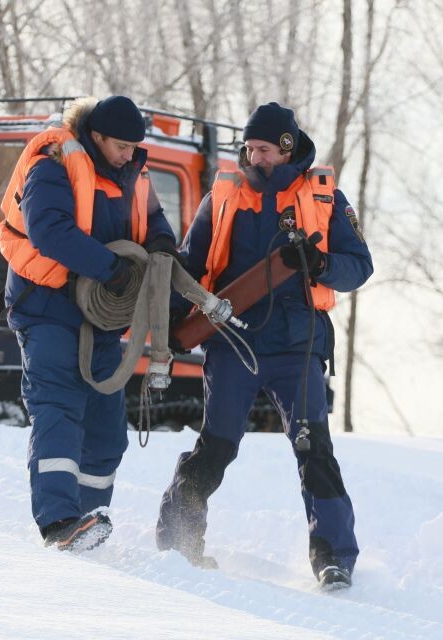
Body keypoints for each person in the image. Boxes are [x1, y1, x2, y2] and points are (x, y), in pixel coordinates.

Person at [156, 102, 373, 589]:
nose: (253, 157)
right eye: (249, 148)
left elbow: (360, 265)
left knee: (314, 448)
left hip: (299, 347)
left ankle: (334, 558)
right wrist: (171, 319)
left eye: (263, 149)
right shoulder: (225, 193)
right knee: (216, 447)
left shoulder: (326, 197)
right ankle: (177, 543)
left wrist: (319, 263)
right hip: (232, 342)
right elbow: (191, 263)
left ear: (287, 148)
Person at [0, 95, 181, 552]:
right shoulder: (53, 163)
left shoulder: (132, 172)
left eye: (132, 146)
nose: (127, 154)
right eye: (120, 146)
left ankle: (90, 522)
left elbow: (155, 221)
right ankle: (60, 523)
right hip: (48, 307)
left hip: (101, 316)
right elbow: (48, 230)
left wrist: (161, 246)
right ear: (96, 136)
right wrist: (110, 269)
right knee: (58, 408)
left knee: (105, 427)